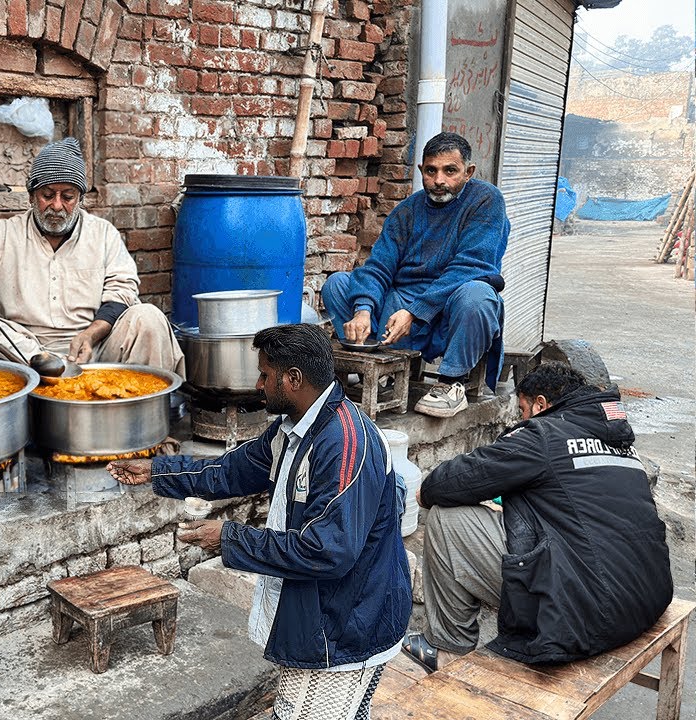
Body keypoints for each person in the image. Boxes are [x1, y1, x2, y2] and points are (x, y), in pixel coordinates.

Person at [109, 324, 410, 720]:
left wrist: (230, 539)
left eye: (265, 374)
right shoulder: (293, 430)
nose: (258, 383)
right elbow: (229, 470)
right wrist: (157, 471)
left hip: (348, 627)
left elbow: (326, 550)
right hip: (323, 616)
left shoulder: (345, 444)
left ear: (294, 379)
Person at [402, 362, 672, 672]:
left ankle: (447, 645)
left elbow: (448, 484)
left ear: (541, 404)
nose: (521, 418)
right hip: (646, 599)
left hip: (587, 614)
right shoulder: (621, 443)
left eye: (523, 410)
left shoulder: (544, 433)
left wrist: (425, 491)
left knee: (447, 519)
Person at [0, 137, 184, 376]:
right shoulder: (3, 234)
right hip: (28, 353)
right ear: (32, 196)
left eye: (67, 196)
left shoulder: (102, 234)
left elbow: (122, 291)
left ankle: (141, 412)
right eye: (47, 195)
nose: (57, 205)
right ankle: (52, 374)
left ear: (80, 198)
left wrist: (92, 335)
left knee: (148, 317)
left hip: (95, 350)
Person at [322, 131, 509, 418]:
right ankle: (375, 368)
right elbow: (379, 266)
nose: (439, 180)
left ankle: (451, 384)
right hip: (401, 305)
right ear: (421, 170)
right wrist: (362, 309)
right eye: (431, 171)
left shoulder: (486, 200)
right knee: (338, 284)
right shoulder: (406, 211)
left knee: (478, 296)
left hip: (451, 306)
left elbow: (472, 265)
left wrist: (415, 311)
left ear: (468, 172)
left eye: (450, 171)